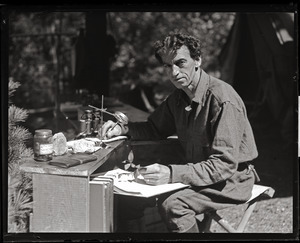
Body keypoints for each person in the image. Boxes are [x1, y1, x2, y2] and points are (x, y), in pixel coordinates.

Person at [101, 32, 259, 233]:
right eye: (167, 66)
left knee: (174, 205)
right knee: (125, 197)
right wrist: (122, 128)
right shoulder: (178, 98)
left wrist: (171, 174)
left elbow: (224, 165)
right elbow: (153, 128)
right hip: (199, 171)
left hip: (232, 179)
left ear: (197, 60)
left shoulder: (222, 99)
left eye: (180, 63)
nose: (174, 72)